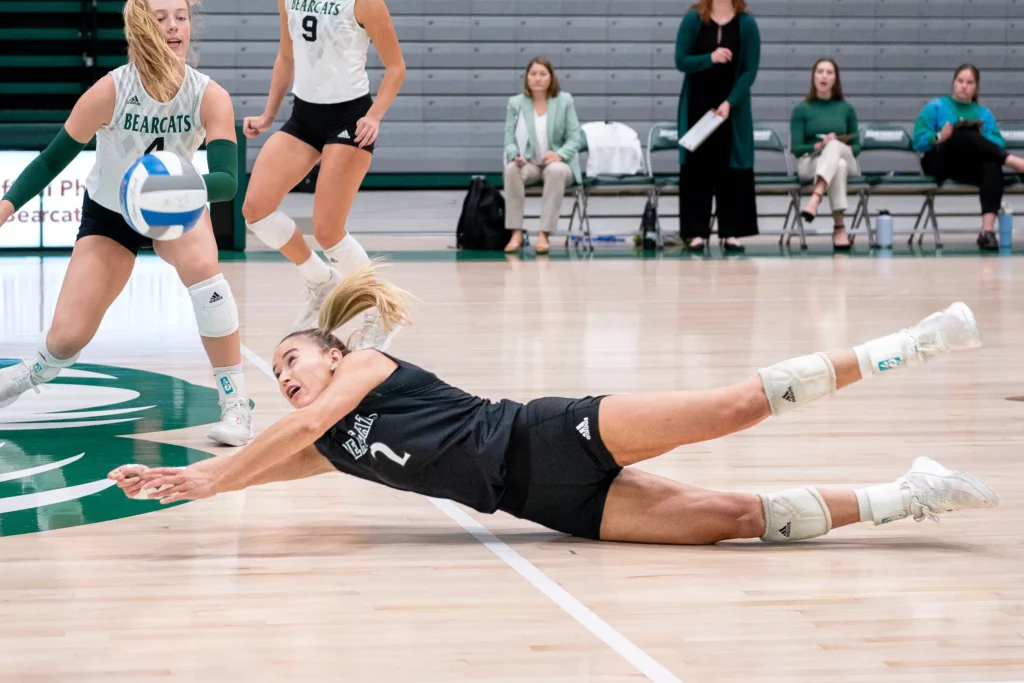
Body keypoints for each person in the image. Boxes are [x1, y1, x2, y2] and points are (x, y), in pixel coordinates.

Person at [109, 265, 997, 546]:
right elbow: (279, 459)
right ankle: (909, 493)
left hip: (546, 430)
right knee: (734, 518)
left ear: (333, 352)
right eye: (278, 371)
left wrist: (208, 475)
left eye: (293, 357)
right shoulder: (331, 441)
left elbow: (289, 432)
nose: (288, 376)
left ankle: (911, 342)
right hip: (546, 503)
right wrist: (195, 481)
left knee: (732, 407)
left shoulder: (366, 365)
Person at [0, 0, 253, 446]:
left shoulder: (209, 95)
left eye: (182, 16)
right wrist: (5, 207)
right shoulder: (110, 91)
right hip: (111, 214)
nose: (175, 27)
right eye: (161, 18)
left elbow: (229, 182)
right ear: (140, 27)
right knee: (68, 337)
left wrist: (169, 187)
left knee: (207, 277)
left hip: (175, 205)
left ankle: (235, 405)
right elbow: (52, 160)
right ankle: (26, 375)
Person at [240, 0, 405, 344]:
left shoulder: (365, 3)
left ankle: (383, 311)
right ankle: (320, 280)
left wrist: (374, 116)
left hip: (351, 118)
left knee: (328, 231)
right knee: (255, 210)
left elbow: (396, 68)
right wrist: (269, 115)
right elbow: (286, 57)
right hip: (304, 116)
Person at [675, 0, 761, 254]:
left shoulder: (747, 23)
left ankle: (731, 232)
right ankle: (696, 233)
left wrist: (730, 102)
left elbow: (750, 70)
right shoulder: (693, 19)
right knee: (696, 168)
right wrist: (710, 58)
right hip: (697, 107)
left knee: (732, 168)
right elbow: (681, 60)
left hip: (732, 110)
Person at [912, 63, 1024, 251]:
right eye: (960, 81)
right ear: (953, 83)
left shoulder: (983, 113)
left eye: (969, 82)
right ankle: (1015, 162)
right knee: (961, 134)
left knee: (991, 165)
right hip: (939, 161)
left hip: (967, 165)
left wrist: (979, 138)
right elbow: (918, 141)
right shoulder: (936, 106)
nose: (964, 86)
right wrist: (940, 136)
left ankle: (987, 232)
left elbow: (998, 142)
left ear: (976, 87)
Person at [502, 58, 583, 255]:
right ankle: (516, 232)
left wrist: (559, 154)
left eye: (542, 74)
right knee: (512, 170)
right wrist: (515, 155)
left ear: (551, 78)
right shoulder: (516, 103)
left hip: (558, 164)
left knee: (555, 171)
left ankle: (544, 233)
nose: (537, 78)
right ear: (527, 78)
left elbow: (575, 138)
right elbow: (509, 136)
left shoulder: (564, 101)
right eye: (533, 74)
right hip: (530, 164)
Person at [790, 58, 861, 251]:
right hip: (811, 162)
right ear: (813, 77)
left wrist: (834, 145)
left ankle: (815, 198)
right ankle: (839, 229)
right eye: (820, 71)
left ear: (835, 79)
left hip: (845, 155)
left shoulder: (846, 108)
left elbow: (857, 146)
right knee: (838, 165)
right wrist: (820, 145)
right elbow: (796, 148)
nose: (824, 76)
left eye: (829, 72)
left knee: (835, 147)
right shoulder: (801, 109)